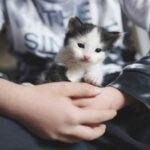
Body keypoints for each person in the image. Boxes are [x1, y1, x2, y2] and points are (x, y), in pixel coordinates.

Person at [0, 0, 150, 149]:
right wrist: (20, 99)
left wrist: (115, 97)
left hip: (118, 90)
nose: (86, 56)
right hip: (37, 97)